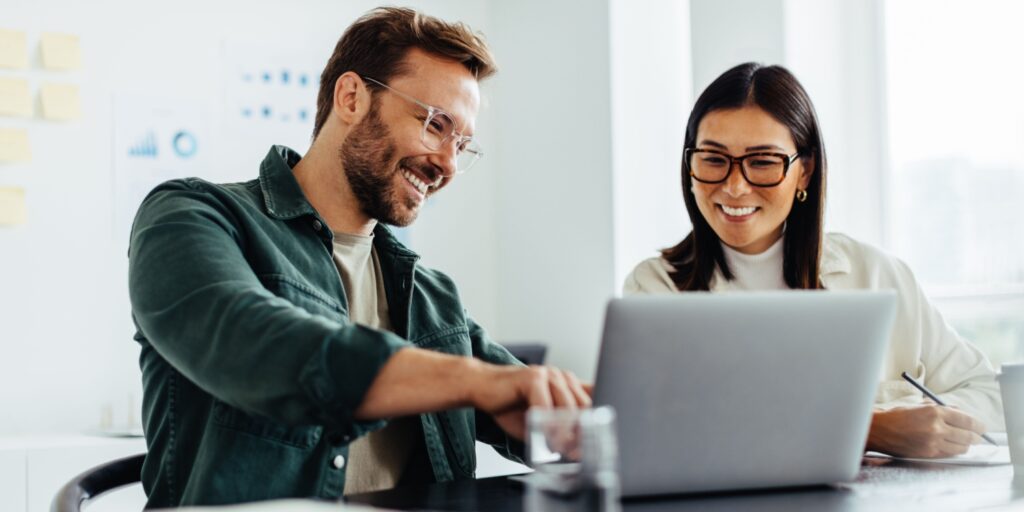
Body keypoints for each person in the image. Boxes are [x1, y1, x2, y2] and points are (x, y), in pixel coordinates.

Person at [128, 7, 590, 508]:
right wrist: (476, 382)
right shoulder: (192, 215)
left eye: (463, 144)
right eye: (435, 124)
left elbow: (520, 396)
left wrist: (582, 415)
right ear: (351, 97)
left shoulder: (432, 296)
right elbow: (252, 339)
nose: (448, 165)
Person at [623, 62, 1002, 459]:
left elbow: (991, 395)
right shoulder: (654, 289)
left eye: (763, 162)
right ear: (690, 166)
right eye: (714, 160)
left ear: (804, 172)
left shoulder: (876, 274)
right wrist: (870, 429)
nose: (735, 186)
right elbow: (661, 428)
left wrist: (924, 423)